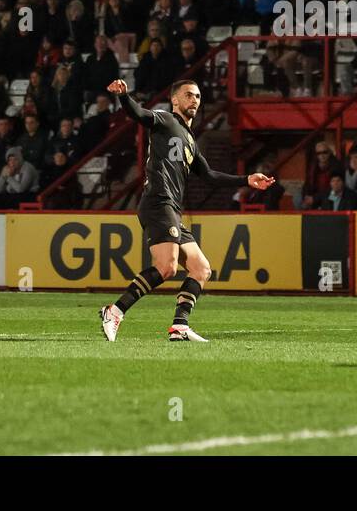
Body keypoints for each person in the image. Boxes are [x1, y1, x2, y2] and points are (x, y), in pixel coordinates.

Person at [100, 79, 275, 343]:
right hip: (159, 202)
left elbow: (210, 176)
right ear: (175, 101)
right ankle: (114, 311)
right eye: (189, 95)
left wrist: (246, 179)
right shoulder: (166, 120)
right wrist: (124, 97)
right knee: (166, 267)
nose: (195, 100)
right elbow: (139, 114)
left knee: (201, 269)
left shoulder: (190, 140)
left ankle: (180, 326)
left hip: (171, 209)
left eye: (198, 96)